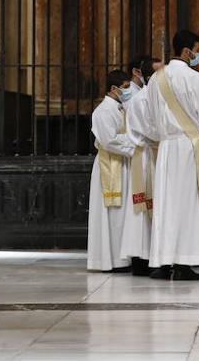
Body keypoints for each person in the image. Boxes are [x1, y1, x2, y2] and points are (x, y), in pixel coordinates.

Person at [132, 29, 199, 280]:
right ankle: (184, 263)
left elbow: (148, 120)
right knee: (190, 203)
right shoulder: (196, 80)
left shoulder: (156, 80)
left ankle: (163, 262)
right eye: (198, 49)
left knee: (166, 204)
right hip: (190, 148)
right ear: (188, 51)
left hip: (166, 149)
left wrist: (164, 135)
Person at [87, 69, 137, 272]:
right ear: (113, 88)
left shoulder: (120, 108)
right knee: (111, 214)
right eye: (125, 87)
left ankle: (121, 258)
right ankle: (110, 260)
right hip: (109, 165)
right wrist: (135, 145)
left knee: (122, 213)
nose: (128, 91)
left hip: (123, 164)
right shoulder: (102, 111)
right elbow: (109, 140)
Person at [121, 56, 164, 276]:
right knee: (142, 209)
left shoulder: (159, 97)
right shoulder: (141, 100)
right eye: (159, 73)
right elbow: (150, 129)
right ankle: (141, 256)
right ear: (148, 76)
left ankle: (156, 254)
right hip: (147, 156)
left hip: (158, 154)